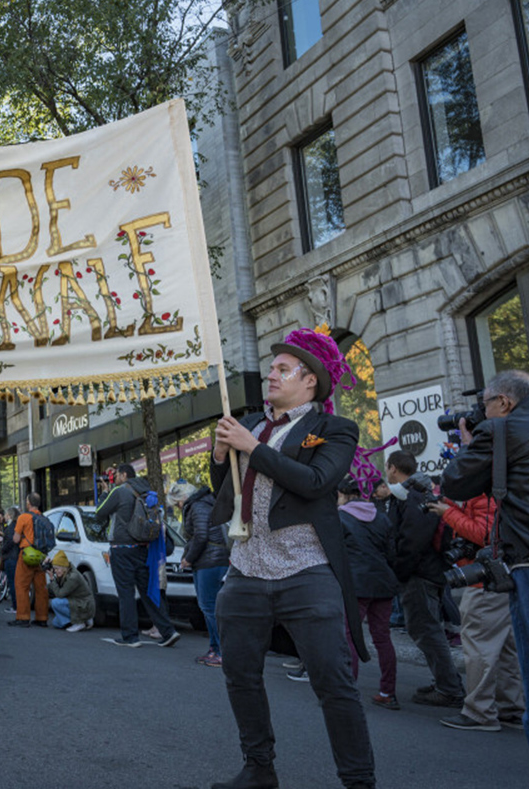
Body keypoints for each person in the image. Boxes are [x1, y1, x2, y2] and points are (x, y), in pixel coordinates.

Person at [208, 327, 374, 789]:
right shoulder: (252, 425)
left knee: (333, 684)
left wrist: (251, 447)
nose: (271, 376)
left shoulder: (334, 429)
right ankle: (259, 767)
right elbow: (222, 492)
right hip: (244, 570)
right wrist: (222, 457)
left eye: (283, 369)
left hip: (307, 571)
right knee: (240, 676)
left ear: (311, 381)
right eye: (272, 369)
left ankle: (359, 781)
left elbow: (317, 482)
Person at [441, 370, 529, 783]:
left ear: (503, 402)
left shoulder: (502, 430)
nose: (480, 413)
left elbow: (456, 481)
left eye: (484, 405)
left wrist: (472, 441)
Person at [424, 490, 524, 732]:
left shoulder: (487, 496)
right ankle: (511, 708)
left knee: (479, 648)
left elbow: (484, 534)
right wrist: (448, 504)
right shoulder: (498, 490)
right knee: (506, 649)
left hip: (485, 582)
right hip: (503, 580)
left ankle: (480, 712)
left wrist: (447, 512)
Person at [389, 449, 465, 708]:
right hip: (428, 571)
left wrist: (400, 570)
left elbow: (413, 539)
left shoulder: (415, 496)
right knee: (428, 630)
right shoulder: (421, 493)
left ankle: (449, 688)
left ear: (393, 468)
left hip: (421, 574)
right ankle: (447, 682)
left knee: (426, 631)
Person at [94, 465, 180, 648]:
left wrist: (104, 493)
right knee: (148, 592)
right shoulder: (147, 492)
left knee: (125, 592)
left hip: (122, 548)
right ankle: (168, 631)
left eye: (117, 474)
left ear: (125, 475)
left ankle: (130, 636)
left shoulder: (119, 492)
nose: (115, 477)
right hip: (143, 547)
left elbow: (99, 512)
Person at [337, 477, 401, 711]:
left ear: (342, 495)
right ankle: (388, 691)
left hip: (356, 584)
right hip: (383, 582)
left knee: (349, 636)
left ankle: (348, 692)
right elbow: (392, 553)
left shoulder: (340, 518)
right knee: (382, 637)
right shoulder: (381, 518)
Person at [170, 479, 228, 666]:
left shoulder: (196, 506)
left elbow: (201, 536)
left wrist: (189, 558)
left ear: (183, 498)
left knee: (209, 606)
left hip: (209, 561)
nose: (178, 507)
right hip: (211, 559)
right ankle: (216, 649)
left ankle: (219, 650)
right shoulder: (203, 503)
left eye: (177, 503)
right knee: (210, 606)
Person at [9, 492, 50, 628]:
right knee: (41, 588)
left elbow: (15, 539)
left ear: (28, 503)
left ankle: (23, 617)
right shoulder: (43, 518)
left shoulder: (23, 517)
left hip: (26, 554)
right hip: (41, 556)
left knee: (21, 585)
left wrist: (22, 539)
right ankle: (42, 617)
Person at [46, 551, 95, 631]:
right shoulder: (65, 572)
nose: (55, 571)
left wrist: (52, 579)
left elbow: (60, 594)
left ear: (63, 567)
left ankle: (80, 622)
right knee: (56, 623)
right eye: (55, 569)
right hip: (76, 601)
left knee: (56, 602)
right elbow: (54, 589)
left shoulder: (73, 577)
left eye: (57, 569)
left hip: (84, 604)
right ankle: (84, 619)